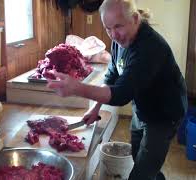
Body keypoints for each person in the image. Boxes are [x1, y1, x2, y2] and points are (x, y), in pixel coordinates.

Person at [47, 0, 188, 179]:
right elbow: (111, 76)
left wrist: (77, 88)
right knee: (138, 155)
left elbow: (120, 94)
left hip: (164, 114)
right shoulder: (119, 41)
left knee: (143, 171)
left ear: (135, 18)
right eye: (108, 28)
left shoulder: (150, 47)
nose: (114, 35)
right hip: (143, 106)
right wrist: (95, 108)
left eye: (118, 26)